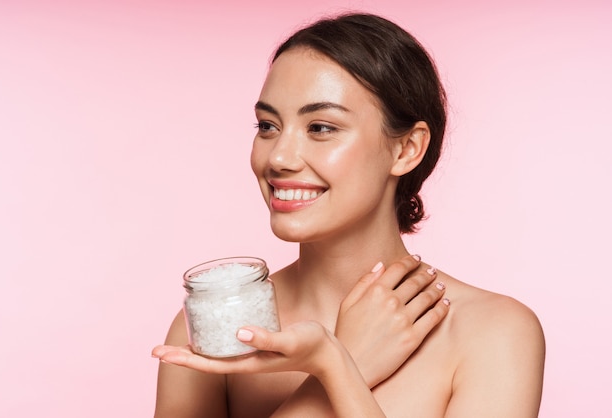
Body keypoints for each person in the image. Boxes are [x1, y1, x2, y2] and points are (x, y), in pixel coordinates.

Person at [152, 12, 545, 417]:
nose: (280, 157)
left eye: (321, 128)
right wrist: (340, 364)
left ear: (407, 149)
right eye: (268, 126)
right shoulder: (214, 324)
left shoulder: (493, 333)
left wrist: (336, 363)